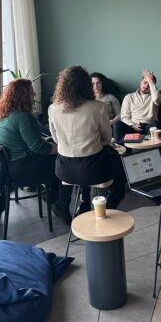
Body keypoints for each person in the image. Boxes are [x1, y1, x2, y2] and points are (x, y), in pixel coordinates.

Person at [49, 66, 126, 216]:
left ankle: (78, 203)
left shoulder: (53, 108)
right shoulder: (98, 107)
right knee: (119, 167)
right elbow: (106, 138)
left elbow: (55, 138)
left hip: (64, 170)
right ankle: (107, 205)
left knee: (88, 159)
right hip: (93, 169)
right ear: (86, 85)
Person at [0, 79, 67, 223]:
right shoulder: (22, 117)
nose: (34, 94)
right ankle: (60, 204)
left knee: (54, 158)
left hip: (9, 166)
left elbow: (33, 138)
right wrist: (61, 149)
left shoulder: (6, 114)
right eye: (31, 92)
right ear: (23, 95)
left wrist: (50, 143)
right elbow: (37, 147)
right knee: (61, 161)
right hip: (21, 168)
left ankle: (52, 196)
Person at [112, 69, 161, 142]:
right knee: (117, 124)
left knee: (154, 124)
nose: (146, 86)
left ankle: (147, 146)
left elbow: (156, 98)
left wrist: (151, 81)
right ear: (141, 82)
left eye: (149, 84)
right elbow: (124, 117)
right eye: (145, 82)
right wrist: (132, 125)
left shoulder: (155, 96)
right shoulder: (129, 97)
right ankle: (125, 148)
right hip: (132, 126)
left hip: (148, 126)